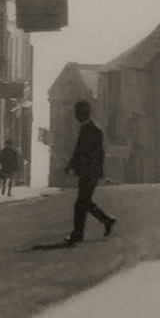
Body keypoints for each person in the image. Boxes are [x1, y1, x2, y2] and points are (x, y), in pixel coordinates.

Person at [64, 100, 116, 246]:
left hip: (90, 172)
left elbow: (95, 154)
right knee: (84, 202)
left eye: (78, 112)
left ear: (84, 113)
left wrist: (81, 166)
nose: (76, 115)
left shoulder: (93, 130)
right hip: (87, 172)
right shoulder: (86, 129)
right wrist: (71, 165)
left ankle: (78, 234)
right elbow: (78, 151)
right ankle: (106, 220)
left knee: (81, 203)